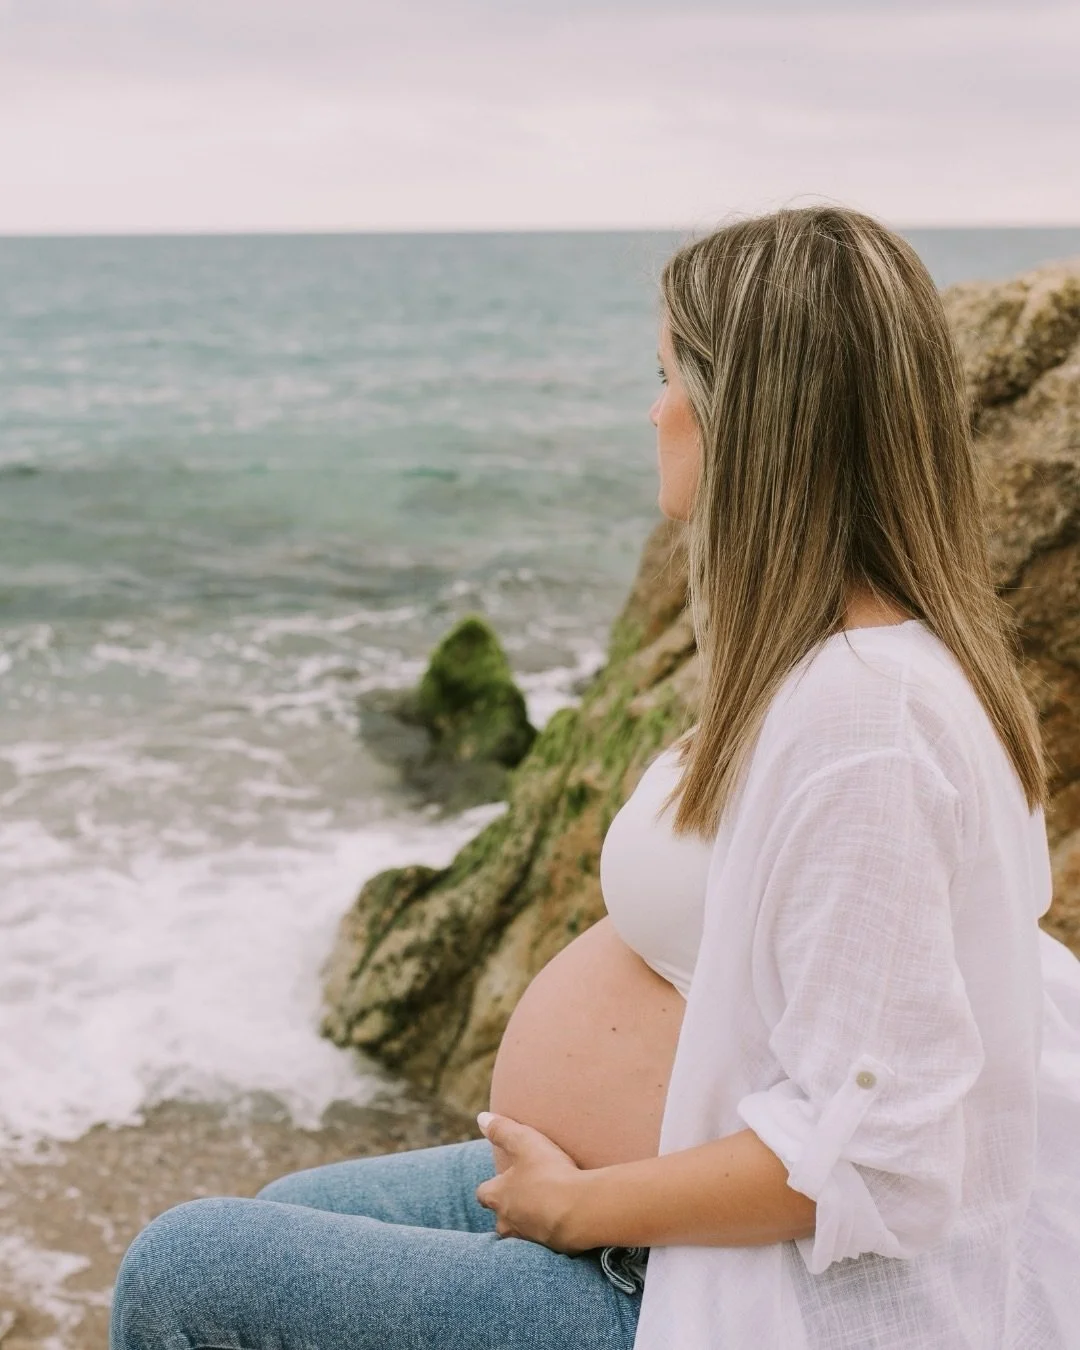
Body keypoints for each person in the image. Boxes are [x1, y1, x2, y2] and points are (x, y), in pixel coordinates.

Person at [109, 204, 1080, 1350]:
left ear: (749, 418)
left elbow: (885, 1163)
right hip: (680, 1210)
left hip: (749, 1297)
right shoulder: (834, 673)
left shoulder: (868, 718)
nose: (652, 409)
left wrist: (578, 1206)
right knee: (287, 1219)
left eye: (668, 375)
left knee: (189, 1270)